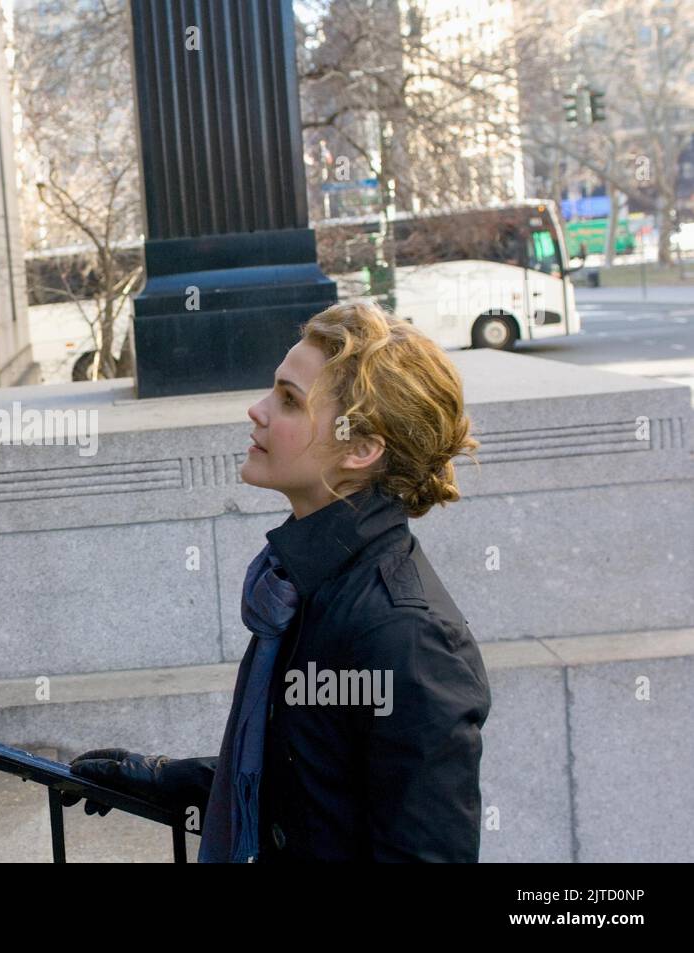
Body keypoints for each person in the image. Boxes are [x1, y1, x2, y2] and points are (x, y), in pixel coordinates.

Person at [65, 300, 492, 862]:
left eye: (289, 400)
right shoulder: (302, 583)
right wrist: (184, 781)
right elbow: (318, 782)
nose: (257, 410)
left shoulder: (405, 636)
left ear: (361, 449)